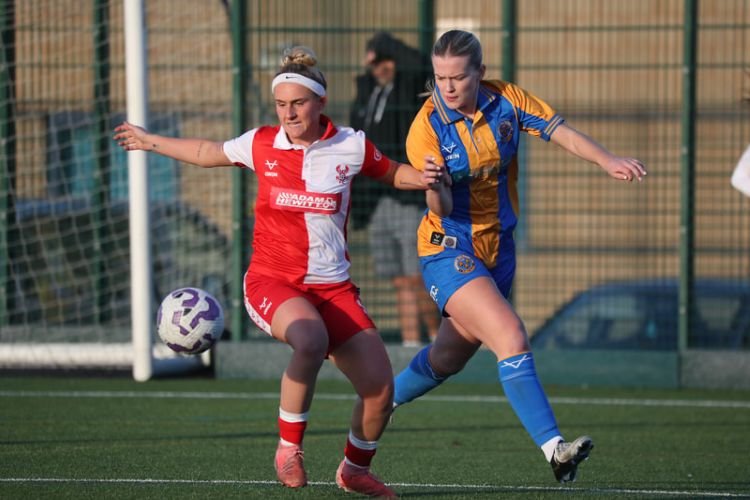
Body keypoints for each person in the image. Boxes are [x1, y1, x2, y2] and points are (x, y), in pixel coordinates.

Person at [114, 46, 447, 498]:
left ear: (320, 103)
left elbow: (391, 172)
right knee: (310, 338)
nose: (289, 113)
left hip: (333, 288)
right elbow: (206, 150)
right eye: (281, 104)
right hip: (273, 282)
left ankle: (354, 470)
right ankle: (288, 449)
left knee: (380, 390)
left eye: (299, 103)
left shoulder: (350, 145)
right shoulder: (261, 143)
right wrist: (150, 141)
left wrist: (425, 177)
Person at [392, 30, 647, 484]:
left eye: (457, 77)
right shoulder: (426, 129)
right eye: (439, 78)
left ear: (480, 73)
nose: (447, 88)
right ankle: (556, 450)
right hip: (447, 248)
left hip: (498, 249)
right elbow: (442, 209)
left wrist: (607, 160)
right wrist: (434, 184)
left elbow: (560, 132)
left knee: (449, 358)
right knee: (510, 334)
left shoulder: (506, 100)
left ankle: (382, 396)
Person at [349, 32, 439, 346]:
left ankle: (437, 337)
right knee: (399, 279)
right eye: (375, 62)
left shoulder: (408, 87)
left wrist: (384, 44)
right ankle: (410, 343)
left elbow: (418, 65)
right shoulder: (369, 93)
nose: (380, 68)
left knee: (416, 276)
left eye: (386, 60)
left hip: (406, 196)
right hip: (377, 198)